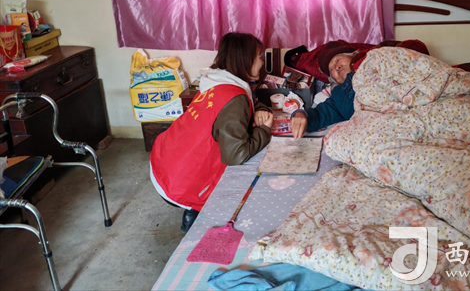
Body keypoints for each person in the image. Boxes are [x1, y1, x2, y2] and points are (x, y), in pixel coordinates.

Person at [149, 33, 273, 233]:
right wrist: (264, 131)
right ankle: (194, 219)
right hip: (180, 182)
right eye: (259, 57)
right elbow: (236, 155)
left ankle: (192, 212)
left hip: (165, 161)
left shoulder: (215, 81)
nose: (262, 62)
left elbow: (241, 104)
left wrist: (259, 108)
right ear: (244, 59)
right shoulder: (236, 97)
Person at [290, 41, 359, 139]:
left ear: (353, 55)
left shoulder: (374, 63)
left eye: (338, 60)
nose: (337, 67)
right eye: (331, 69)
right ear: (333, 79)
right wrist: (302, 115)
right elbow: (320, 115)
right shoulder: (338, 97)